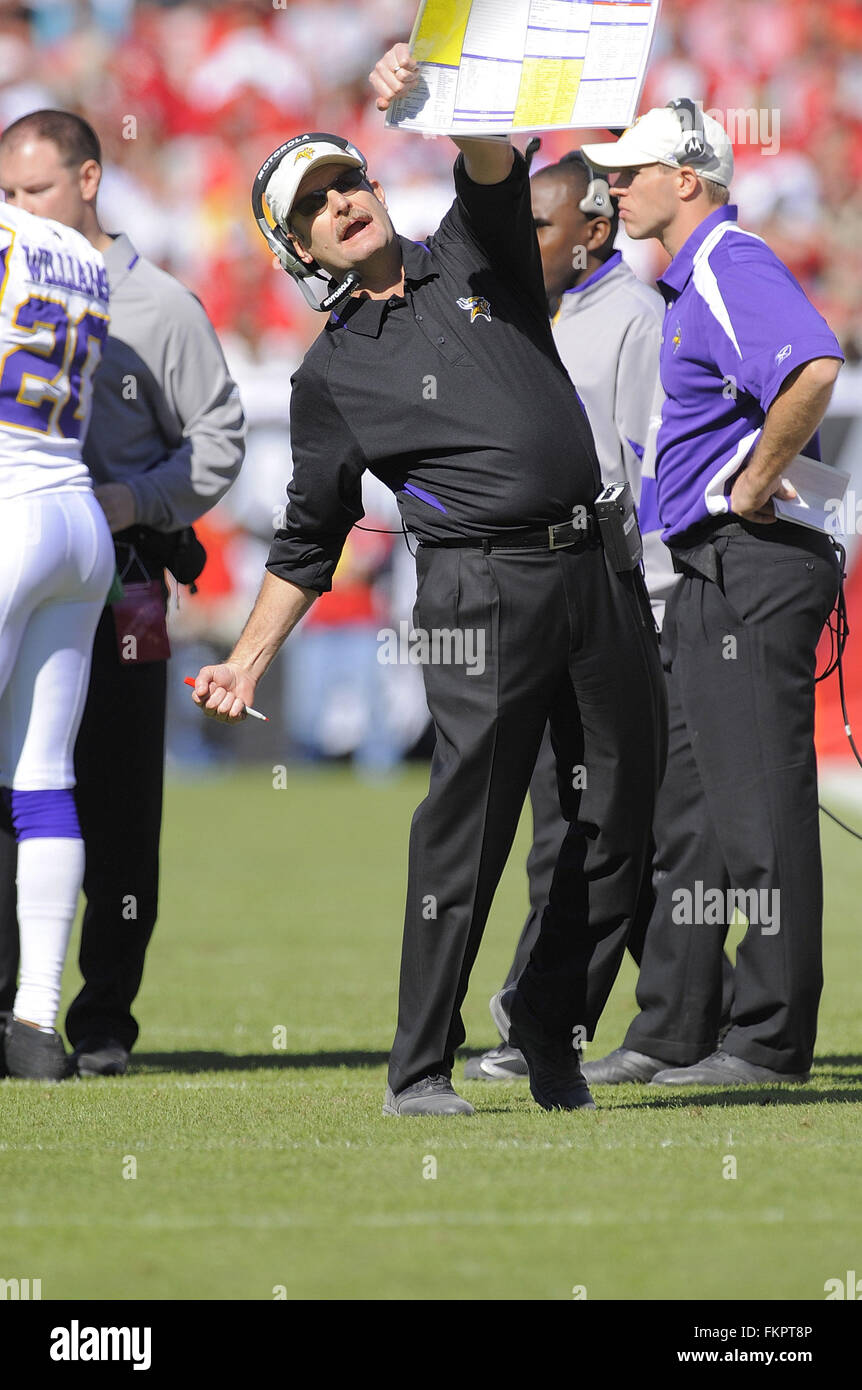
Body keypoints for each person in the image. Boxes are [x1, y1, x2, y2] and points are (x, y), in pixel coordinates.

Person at [191, 44, 666, 1117]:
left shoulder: (471, 251)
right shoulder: (328, 375)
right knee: (471, 825)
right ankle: (420, 1065)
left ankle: (548, 1018)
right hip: (480, 595)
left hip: (596, 567)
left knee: (624, 815)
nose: (341, 202)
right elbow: (309, 539)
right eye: (313, 202)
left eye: (345, 178)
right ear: (295, 244)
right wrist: (246, 655)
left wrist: (438, 100)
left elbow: (493, 163)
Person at [576, 100, 843, 1087]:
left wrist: (757, 478)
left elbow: (813, 365)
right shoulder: (694, 281)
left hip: (748, 559)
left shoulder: (728, 262)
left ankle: (768, 1041)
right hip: (706, 568)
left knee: (756, 807)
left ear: (686, 178)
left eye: (627, 171)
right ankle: (674, 1026)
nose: (612, 186)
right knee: (685, 817)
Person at [0, 110, 246, 1077]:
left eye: (36, 192)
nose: (18, 211)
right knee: (27, 789)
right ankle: (24, 1005)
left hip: (129, 576)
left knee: (120, 795)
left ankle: (104, 1017)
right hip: (65, 549)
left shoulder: (161, 307)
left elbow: (220, 441)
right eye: (9, 194)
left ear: (90, 179)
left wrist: (135, 498)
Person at [466, 148, 678, 1081]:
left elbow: (654, 470)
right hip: (542, 599)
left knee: (594, 823)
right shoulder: (524, 315)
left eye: (540, 224)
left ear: (594, 233)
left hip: (621, 603)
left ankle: (541, 1020)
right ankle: (677, 1009)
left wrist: (659, 605)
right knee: (567, 816)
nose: (524, 239)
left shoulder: (634, 319)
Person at [0, 199, 113, 1079]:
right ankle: (37, 1027)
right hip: (75, 510)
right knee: (42, 780)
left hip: (7, 510)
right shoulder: (75, 247)